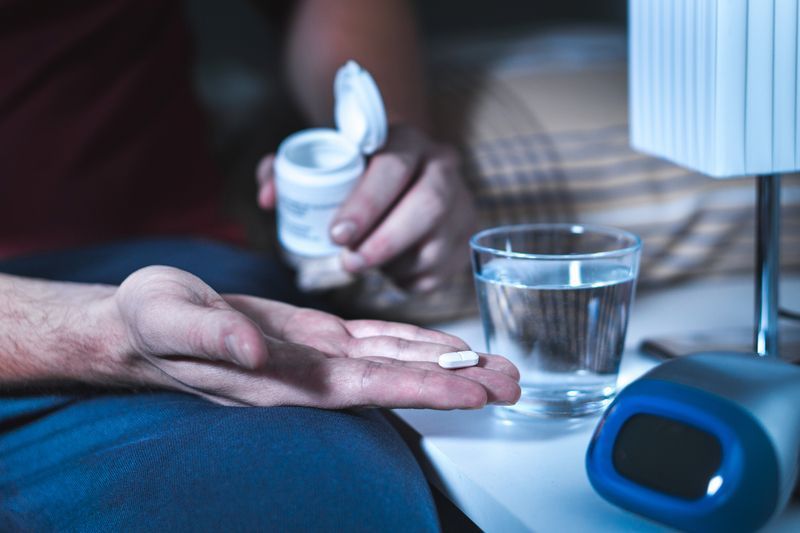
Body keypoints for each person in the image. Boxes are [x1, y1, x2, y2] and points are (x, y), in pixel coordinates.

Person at [0, 0, 520, 530]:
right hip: (76, 318)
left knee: (322, 506)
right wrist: (98, 332)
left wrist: (383, 143)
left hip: (183, 271)